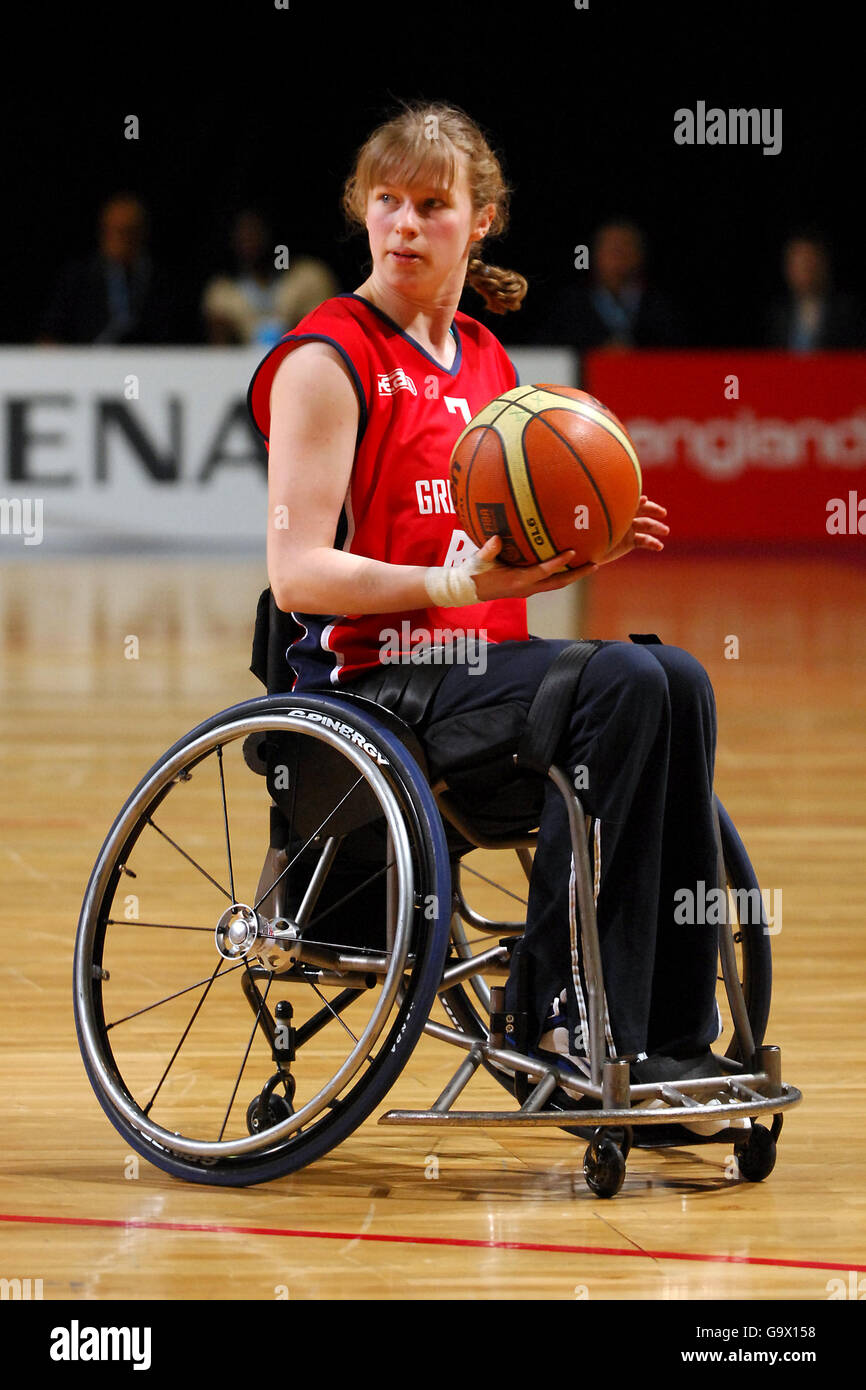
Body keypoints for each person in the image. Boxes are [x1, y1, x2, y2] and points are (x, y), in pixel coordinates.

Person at [246, 102, 724, 1104]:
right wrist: (453, 586)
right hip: (373, 690)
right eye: (387, 202)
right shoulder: (325, 360)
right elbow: (295, 574)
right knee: (628, 681)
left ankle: (667, 1038)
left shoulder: (492, 369)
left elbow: (495, 564)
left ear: (483, 218)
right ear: (360, 213)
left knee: (674, 677)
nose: (405, 224)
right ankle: (554, 1010)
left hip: (480, 681)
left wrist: (560, 556)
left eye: (431, 204)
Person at [37, 193, 188, 345]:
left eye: (129, 231)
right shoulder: (79, 277)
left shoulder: (161, 279)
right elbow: (50, 333)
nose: (122, 239)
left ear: (143, 233)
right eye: (115, 231)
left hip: (150, 362)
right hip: (89, 362)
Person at [202, 208, 339, 347]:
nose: (250, 242)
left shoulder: (309, 276)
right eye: (244, 235)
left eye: (256, 232)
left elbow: (326, 333)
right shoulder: (223, 291)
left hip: (304, 360)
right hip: (244, 366)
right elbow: (219, 351)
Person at [543, 220, 685, 350]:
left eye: (626, 247)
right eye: (612, 249)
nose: (619, 257)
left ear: (640, 255)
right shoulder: (571, 304)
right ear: (595, 255)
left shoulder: (659, 304)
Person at [765, 231, 864, 350]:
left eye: (809, 262)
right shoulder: (777, 313)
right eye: (798, 264)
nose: (805, 271)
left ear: (824, 264)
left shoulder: (846, 311)